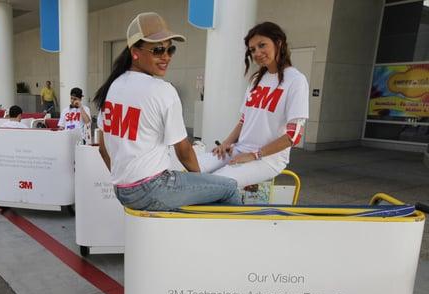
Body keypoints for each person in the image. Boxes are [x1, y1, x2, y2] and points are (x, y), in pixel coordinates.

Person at [94, 12, 241, 211]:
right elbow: (184, 151)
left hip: (122, 190)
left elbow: (103, 150)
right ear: (135, 52)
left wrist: (125, 181)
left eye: (170, 49)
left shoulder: (112, 88)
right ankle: (227, 242)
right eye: (157, 50)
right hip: (153, 188)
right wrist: (200, 181)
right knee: (230, 188)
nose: (166, 57)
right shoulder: (162, 90)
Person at [197, 22, 309, 188]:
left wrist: (255, 155)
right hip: (239, 149)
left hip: (268, 159)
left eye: (262, 45)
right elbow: (244, 120)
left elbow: (293, 136)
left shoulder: (296, 80)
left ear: (279, 43)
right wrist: (226, 143)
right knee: (193, 166)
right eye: (252, 49)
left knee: (214, 184)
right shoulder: (257, 79)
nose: (257, 53)